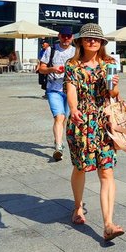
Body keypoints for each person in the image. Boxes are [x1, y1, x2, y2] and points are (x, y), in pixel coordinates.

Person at [64, 23, 125, 241]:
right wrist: (73, 109)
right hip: (81, 123)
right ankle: (77, 207)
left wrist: (114, 85)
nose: (92, 41)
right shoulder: (72, 65)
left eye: (96, 39)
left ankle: (108, 224)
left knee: (107, 171)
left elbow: (113, 93)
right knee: (80, 167)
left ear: (102, 43)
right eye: (88, 38)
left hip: (104, 122)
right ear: (81, 41)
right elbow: (71, 90)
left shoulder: (109, 63)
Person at [38, 27, 76, 161]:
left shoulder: (76, 52)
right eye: (63, 36)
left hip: (71, 90)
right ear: (59, 36)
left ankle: (57, 139)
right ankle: (58, 147)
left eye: (68, 36)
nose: (66, 39)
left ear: (72, 37)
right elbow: (41, 68)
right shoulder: (51, 50)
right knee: (59, 117)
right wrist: (52, 69)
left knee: (64, 118)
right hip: (54, 89)